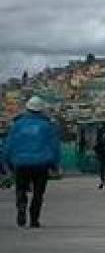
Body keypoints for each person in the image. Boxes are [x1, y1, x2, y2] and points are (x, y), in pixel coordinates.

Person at [5, 96, 61, 228]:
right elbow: (54, 146)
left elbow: (9, 145)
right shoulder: (48, 125)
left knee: (20, 189)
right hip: (41, 164)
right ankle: (34, 219)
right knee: (38, 193)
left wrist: (6, 163)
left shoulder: (17, 125)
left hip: (20, 163)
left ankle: (21, 206)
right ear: (41, 110)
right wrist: (56, 164)